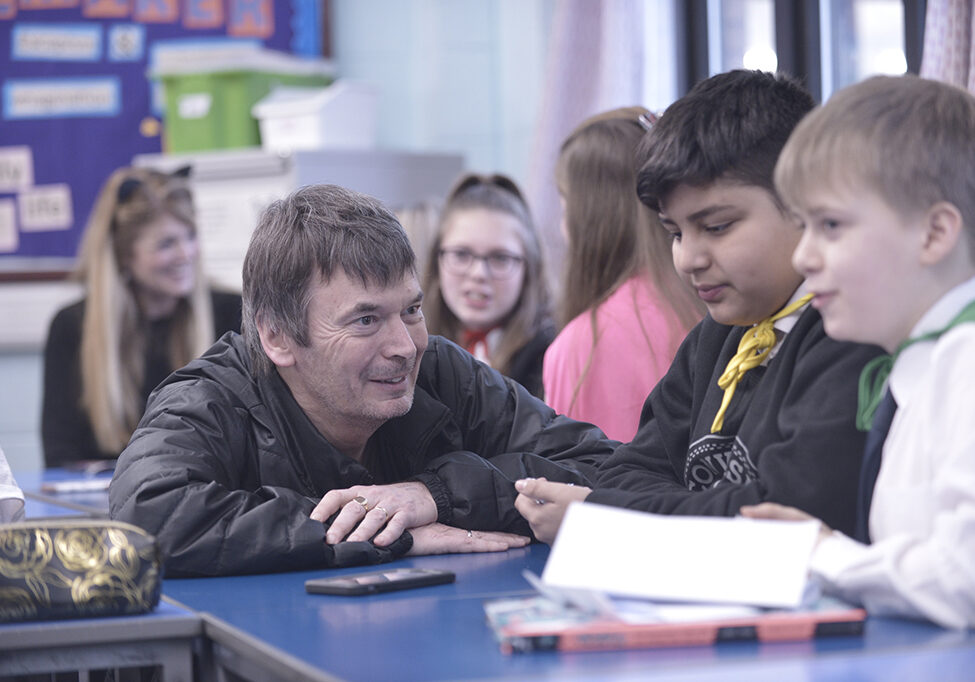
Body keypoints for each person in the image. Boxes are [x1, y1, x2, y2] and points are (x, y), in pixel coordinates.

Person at [109, 184, 615, 577]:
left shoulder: (443, 373)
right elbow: (145, 520)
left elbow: (609, 470)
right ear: (278, 337)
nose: (404, 346)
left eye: (412, 309)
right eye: (365, 320)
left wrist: (435, 494)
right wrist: (384, 532)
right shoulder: (210, 399)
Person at [515, 69, 883, 543]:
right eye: (674, 233)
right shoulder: (716, 335)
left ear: (802, 205)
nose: (689, 259)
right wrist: (635, 508)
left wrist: (607, 517)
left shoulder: (849, 332)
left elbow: (785, 515)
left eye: (717, 226)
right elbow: (626, 471)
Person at [739, 75, 975, 629]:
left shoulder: (968, 360)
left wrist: (822, 552)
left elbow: (965, 574)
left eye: (831, 226)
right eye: (803, 227)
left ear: (934, 233)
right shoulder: (923, 362)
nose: (803, 257)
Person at [41, 166, 241, 468]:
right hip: (113, 507)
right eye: (166, 243)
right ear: (124, 256)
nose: (186, 253)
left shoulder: (232, 314)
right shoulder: (72, 327)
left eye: (190, 236)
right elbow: (60, 455)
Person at [544, 107, 704, 441]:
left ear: (590, 216)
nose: (562, 229)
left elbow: (578, 483)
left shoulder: (581, 345)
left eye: (565, 206)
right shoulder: (717, 305)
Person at [422, 173, 554, 397]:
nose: (479, 273)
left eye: (500, 258)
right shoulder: (411, 347)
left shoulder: (549, 357)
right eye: (462, 254)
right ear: (437, 261)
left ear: (529, 269)